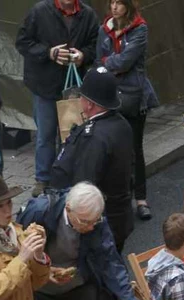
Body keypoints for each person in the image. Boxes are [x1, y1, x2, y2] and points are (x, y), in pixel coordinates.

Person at [17, 182, 152, 300]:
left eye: (94, 221)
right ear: (68, 209)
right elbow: (17, 249)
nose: (89, 227)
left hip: (78, 290)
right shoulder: (40, 211)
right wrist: (43, 270)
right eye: (84, 221)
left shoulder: (95, 220)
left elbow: (111, 263)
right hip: (39, 293)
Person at [15, 0, 99, 197]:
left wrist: (82, 55)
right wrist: (49, 52)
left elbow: (96, 45)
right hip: (44, 84)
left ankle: (66, 176)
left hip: (73, 88)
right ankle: (43, 179)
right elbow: (23, 42)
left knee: (71, 134)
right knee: (45, 134)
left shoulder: (88, 14)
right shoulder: (39, 11)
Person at [50, 68, 134, 253]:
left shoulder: (95, 137)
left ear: (89, 104)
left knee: (99, 273)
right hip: (119, 215)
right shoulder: (122, 124)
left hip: (99, 222)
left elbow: (84, 183)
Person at [96, 0, 159, 221]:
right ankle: (118, 197)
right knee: (112, 149)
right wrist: (110, 63)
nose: (114, 7)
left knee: (134, 149)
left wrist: (108, 62)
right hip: (111, 96)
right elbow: (98, 62)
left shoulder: (139, 28)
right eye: (112, 2)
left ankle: (141, 198)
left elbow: (124, 62)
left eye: (119, 3)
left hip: (133, 97)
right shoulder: (104, 29)